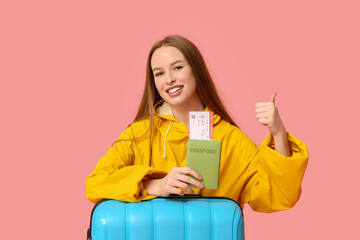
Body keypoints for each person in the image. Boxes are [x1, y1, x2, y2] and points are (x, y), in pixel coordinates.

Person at [86, 35, 309, 213]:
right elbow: (95, 184)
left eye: (178, 67)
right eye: (159, 73)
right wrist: (154, 185)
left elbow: (279, 196)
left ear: (196, 69)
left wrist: (278, 133)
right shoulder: (140, 133)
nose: (169, 79)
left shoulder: (229, 137)